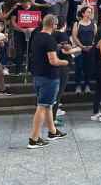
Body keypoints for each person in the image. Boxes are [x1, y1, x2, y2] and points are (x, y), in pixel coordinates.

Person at [27, 15, 68, 149]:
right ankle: (34, 138)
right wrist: (65, 61)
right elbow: (53, 61)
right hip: (49, 77)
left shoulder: (36, 36)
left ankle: (53, 132)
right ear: (54, 25)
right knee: (42, 106)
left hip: (38, 75)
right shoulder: (49, 39)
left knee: (48, 105)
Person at [52, 16, 80, 127]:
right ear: (64, 25)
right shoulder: (62, 35)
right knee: (58, 93)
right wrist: (77, 49)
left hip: (54, 65)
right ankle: (53, 118)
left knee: (55, 92)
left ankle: (52, 116)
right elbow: (66, 50)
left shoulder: (51, 34)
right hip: (62, 65)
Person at [10, 0, 38, 75]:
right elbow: (13, 22)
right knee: (19, 51)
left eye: (27, 4)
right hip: (19, 32)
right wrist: (22, 29)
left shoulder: (35, 8)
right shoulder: (17, 9)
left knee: (31, 51)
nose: (25, 6)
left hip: (32, 32)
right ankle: (18, 70)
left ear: (30, 2)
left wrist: (31, 29)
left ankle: (30, 69)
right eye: (23, 4)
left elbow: (38, 21)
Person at [71, 6, 97, 95]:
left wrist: (92, 45)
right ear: (83, 13)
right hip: (79, 49)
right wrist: (82, 46)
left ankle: (87, 85)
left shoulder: (94, 24)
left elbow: (95, 37)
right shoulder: (77, 24)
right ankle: (78, 85)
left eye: (91, 12)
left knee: (88, 67)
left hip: (90, 49)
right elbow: (74, 36)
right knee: (79, 67)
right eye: (88, 12)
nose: (90, 13)